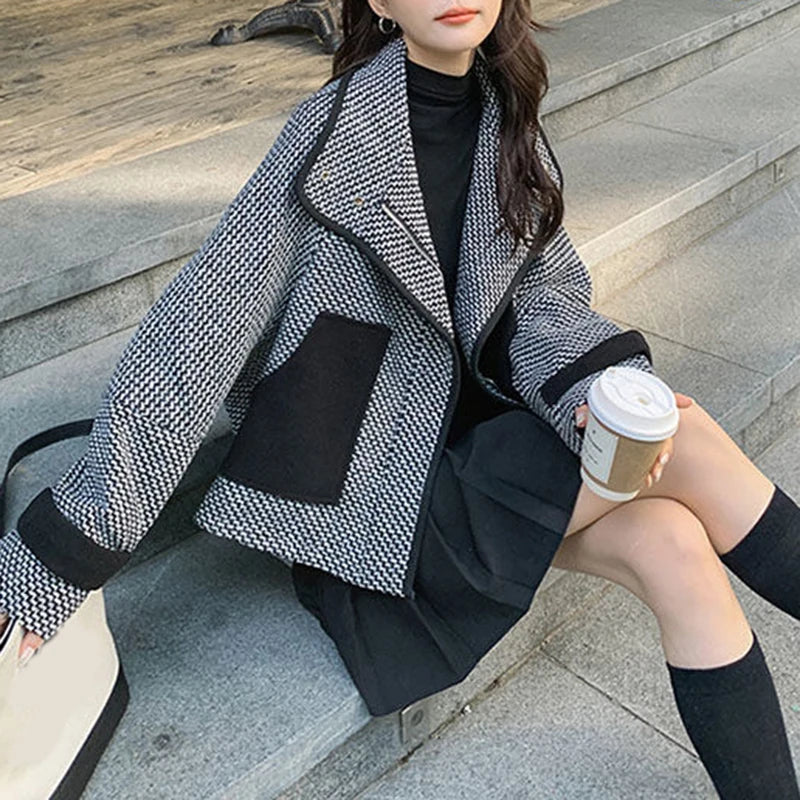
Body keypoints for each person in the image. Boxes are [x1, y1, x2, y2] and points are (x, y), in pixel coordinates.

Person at [2, 0, 799, 796]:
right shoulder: (328, 139)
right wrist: (62, 557)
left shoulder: (504, 120)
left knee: (675, 547)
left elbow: (544, 304)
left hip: (474, 461)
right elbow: (187, 348)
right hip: (374, 507)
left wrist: (592, 392)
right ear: (379, 3)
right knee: (690, 443)